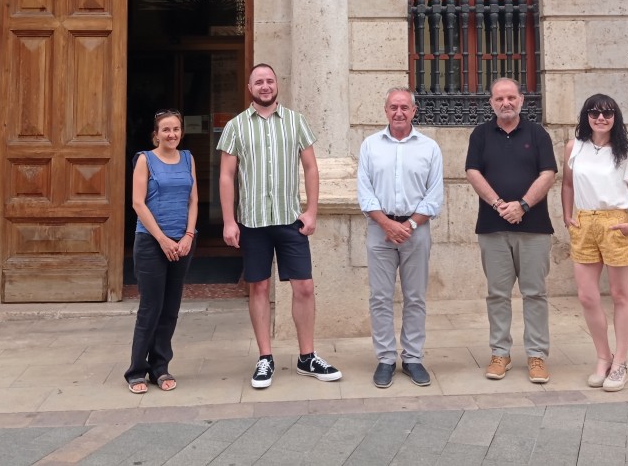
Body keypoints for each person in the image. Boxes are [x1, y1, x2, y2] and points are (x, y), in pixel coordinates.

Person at [217, 63, 342, 389]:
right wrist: (229, 221)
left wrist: (312, 211)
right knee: (258, 287)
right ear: (250, 87)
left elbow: (311, 168)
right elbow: (226, 176)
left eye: (269, 80)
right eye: (259, 81)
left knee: (304, 288)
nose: (265, 86)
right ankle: (265, 357)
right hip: (253, 223)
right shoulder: (235, 127)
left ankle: (306, 356)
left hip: (290, 220)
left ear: (277, 85)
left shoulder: (297, 122)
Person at [464, 77, 558, 384]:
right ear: (491, 102)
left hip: (534, 228)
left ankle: (536, 356)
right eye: (499, 98)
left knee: (535, 293)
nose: (506, 103)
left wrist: (523, 205)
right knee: (497, 295)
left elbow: (548, 173)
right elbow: (472, 172)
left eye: (511, 97)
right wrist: (498, 204)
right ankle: (500, 354)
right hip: (493, 228)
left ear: (521, 100)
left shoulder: (538, 133)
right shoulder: (480, 134)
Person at [356, 87, 444, 388]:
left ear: (414, 111)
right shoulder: (370, 146)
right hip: (379, 231)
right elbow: (365, 194)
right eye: (393, 107)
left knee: (415, 297)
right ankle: (385, 359)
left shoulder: (429, 148)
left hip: (415, 231)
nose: (399, 112)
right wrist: (387, 224)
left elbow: (434, 196)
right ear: (385, 110)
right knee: (380, 298)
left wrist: (408, 225)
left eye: (404, 107)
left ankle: (413, 358)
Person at [561, 93, 628, 393]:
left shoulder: (627, 152)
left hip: (614, 222)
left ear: (615, 118)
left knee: (621, 294)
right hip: (584, 222)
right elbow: (567, 184)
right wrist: (567, 215)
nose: (600, 118)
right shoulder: (575, 147)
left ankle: (620, 361)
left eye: (607, 114)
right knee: (587, 296)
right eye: (594, 113)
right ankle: (602, 357)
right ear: (586, 116)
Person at [124, 109, 198, 394]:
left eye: (176, 129)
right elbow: (138, 204)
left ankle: (160, 367)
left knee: (170, 309)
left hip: (183, 243)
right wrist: (164, 240)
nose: (172, 134)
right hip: (152, 243)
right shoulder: (145, 159)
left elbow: (193, 200)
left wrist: (189, 235)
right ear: (156, 134)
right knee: (150, 308)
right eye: (166, 130)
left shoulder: (188, 158)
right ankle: (135, 370)